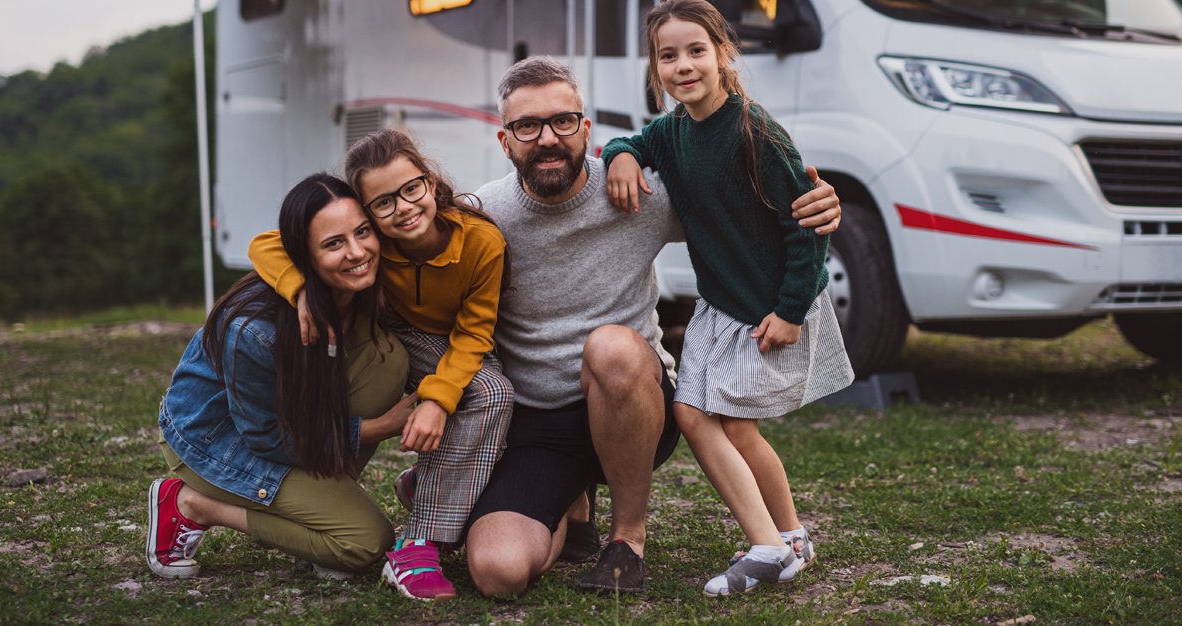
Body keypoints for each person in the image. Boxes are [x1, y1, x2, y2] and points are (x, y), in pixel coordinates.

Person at [462, 55, 843, 597]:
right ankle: (571, 505)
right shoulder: (482, 212)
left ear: (585, 129)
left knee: (612, 347)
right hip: (539, 426)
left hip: (634, 404)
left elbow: (744, 208)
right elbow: (390, 237)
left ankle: (626, 538)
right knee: (499, 574)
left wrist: (815, 205)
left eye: (562, 121)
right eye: (527, 126)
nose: (547, 138)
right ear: (505, 141)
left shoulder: (638, 194)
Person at [601, 0, 855, 596]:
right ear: (654, 66)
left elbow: (808, 224)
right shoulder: (673, 131)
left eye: (696, 51)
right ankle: (788, 539)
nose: (683, 66)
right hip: (722, 305)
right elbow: (632, 141)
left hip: (770, 305)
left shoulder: (754, 131)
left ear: (722, 53)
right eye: (668, 56)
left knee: (714, 420)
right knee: (726, 426)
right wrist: (620, 158)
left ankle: (769, 546)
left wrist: (790, 312)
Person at [248, 129, 513, 601]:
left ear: (430, 182)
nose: (404, 208)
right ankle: (397, 535)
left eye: (411, 189)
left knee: (491, 392)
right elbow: (265, 244)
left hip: (449, 343)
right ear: (365, 213)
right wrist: (301, 288)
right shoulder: (368, 241)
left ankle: (420, 535)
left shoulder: (480, 242)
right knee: (488, 393)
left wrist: (435, 399)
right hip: (386, 339)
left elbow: (474, 333)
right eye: (383, 204)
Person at [147, 173, 415, 581]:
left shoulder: (360, 289)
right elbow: (267, 437)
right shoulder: (255, 331)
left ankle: (326, 504)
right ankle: (191, 504)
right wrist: (379, 428)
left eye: (362, 232)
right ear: (302, 257)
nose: (358, 252)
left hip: (292, 423)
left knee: (389, 359)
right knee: (362, 544)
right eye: (333, 244)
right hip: (219, 440)